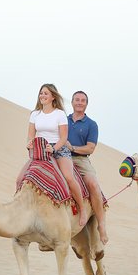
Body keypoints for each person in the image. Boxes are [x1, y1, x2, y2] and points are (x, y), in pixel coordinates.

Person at [26, 83, 88, 226]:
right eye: (41, 93)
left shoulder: (60, 114)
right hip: (39, 148)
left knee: (68, 177)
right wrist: (29, 144)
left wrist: (53, 149)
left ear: (53, 97)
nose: (42, 96)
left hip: (58, 148)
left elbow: (63, 138)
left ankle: (82, 209)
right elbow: (30, 136)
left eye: (46, 93)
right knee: (21, 179)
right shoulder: (35, 114)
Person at [65, 91, 108, 244]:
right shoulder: (63, 120)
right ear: (72, 102)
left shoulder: (91, 124)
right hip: (61, 157)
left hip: (80, 160)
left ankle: (101, 225)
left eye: (83, 100)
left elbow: (90, 148)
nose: (79, 102)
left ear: (86, 104)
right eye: (77, 100)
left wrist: (72, 148)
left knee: (93, 185)